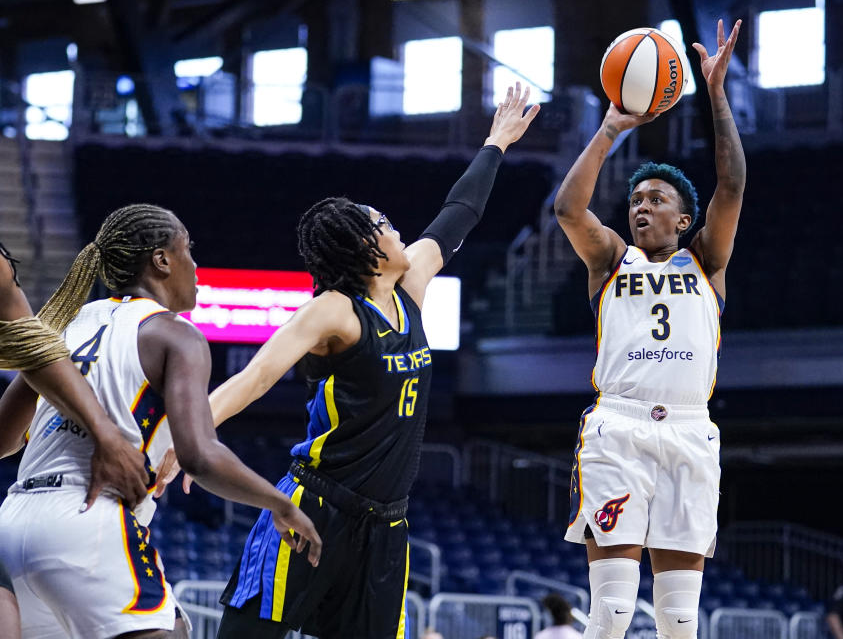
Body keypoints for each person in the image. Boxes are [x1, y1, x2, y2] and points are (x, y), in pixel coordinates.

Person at [152, 83, 538, 639]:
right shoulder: (333, 311)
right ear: (363, 248)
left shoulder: (413, 285)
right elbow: (255, 378)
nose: (397, 227)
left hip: (386, 527)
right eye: (383, 223)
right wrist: (181, 438)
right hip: (315, 504)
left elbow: (460, 212)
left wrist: (496, 142)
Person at [0, 206, 321, 639]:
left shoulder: (65, 323)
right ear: (161, 260)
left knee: (173, 624)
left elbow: (3, 439)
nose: (194, 262)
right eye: (188, 248)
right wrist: (281, 505)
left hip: (14, 522)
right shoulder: (175, 333)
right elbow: (201, 456)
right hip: (87, 518)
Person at [554, 19, 744, 639]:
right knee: (610, 615)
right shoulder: (610, 259)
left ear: (684, 218)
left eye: (657, 198)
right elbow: (567, 209)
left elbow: (733, 184)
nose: (642, 205)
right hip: (620, 428)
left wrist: (715, 94)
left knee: (679, 620)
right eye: (636, 198)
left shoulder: (706, 261)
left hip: (691, 429)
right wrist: (610, 127)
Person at [1, 239, 155, 639]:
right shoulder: (163, 331)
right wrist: (108, 436)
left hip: (18, 514)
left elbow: (31, 347)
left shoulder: (70, 322)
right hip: (81, 513)